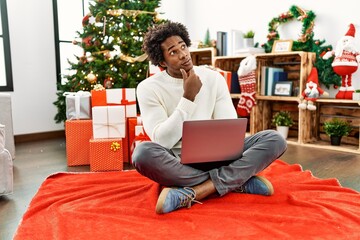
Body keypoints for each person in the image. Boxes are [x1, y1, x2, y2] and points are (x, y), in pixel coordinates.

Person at [132, 21, 287, 214]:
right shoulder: (148, 88)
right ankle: (236, 181)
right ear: (162, 62)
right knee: (142, 154)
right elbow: (162, 140)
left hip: (221, 157)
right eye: (173, 52)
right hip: (178, 160)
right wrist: (188, 98)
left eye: (183, 46)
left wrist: (221, 152)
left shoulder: (213, 78)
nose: (183, 55)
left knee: (275, 139)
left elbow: (229, 130)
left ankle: (199, 190)